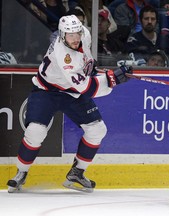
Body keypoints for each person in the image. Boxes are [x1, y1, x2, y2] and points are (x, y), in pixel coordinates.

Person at [6, 15, 132, 193]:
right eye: (70, 35)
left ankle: (77, 172)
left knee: (97, 129)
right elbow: (87, 88)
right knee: (36, 131)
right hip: (47, 91)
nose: (75, 38)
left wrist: (98, 71)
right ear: (61, 34)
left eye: (77, 33)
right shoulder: (64, 56)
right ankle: (21, 172)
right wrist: (112, 80)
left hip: (72, 92)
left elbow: (86, 65)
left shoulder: (84, 35)